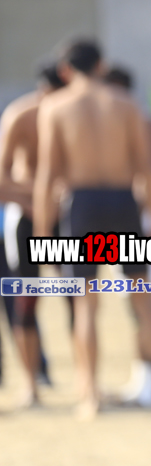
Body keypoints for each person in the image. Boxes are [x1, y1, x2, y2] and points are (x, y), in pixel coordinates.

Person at [33, 40, 151, 419]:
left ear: (65, 71)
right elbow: (146, 170)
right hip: (123, 202)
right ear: (101, 65)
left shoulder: (55, 107)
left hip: (82, 206)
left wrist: (43, 233)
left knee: (86, 303)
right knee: (142, 299)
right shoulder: (126, 104)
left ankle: (90, 395)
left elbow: (47, 176)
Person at [0, 63, 66, 405]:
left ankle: (85, 381)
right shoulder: (21, 117)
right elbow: (1, 179)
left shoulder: (72, 116)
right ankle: (30, 384)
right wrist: (36, 198)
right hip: (24, 219)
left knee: (77, 296)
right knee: (25, 299)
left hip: (64, 218)